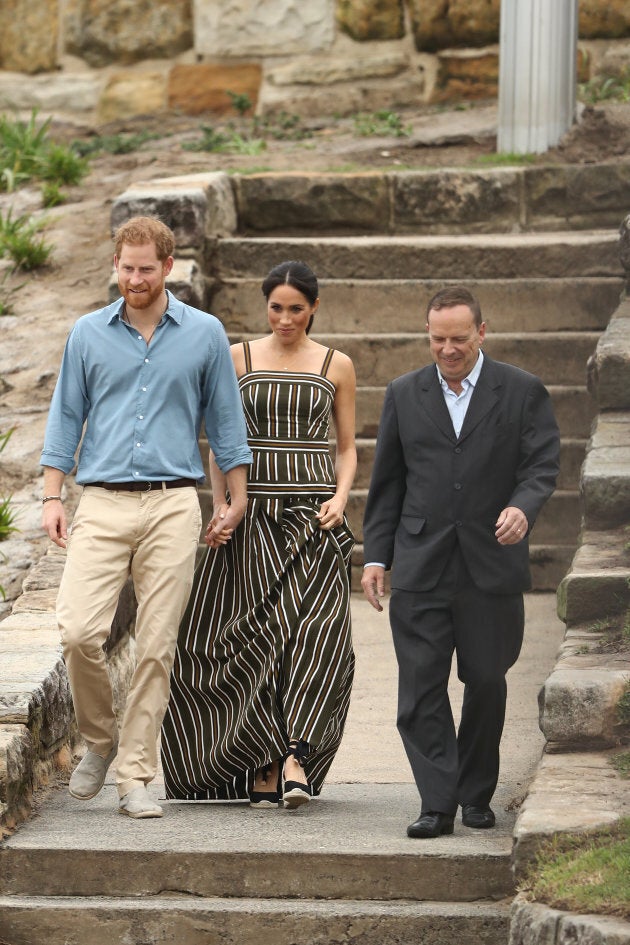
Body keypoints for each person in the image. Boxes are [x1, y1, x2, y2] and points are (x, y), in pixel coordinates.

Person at [40, 215, 252, 820]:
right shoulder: (86, 334)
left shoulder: (205, 333)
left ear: (168, 267)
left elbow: (225, 422)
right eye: (126, 268)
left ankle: (136, 774)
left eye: (146, 268)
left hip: (172, 503)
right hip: (102, 499)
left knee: (158, 644)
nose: (134, 278)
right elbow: (64, 418)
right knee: (79, 631)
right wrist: (54, 496)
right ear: (116, 266)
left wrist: (234, 498)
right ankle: (101, 742)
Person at [361, 285, 560, 839]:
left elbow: (541, 464)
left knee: (487, 681)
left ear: (481, 332)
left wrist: (523, 507)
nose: (448, 349)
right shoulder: (404, 392)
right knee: (421, 687)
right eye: (437, 339)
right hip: (422, 563)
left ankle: (476, 794)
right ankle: (437, 801)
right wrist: (377, 555)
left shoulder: (520, 391)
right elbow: (388, 486)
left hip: (490, 564)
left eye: (458, 338)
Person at [161, 259, 356, 810]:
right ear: (264, 305)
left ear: (314, 308)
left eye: (297, 308)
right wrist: (222, 504)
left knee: (316, 640)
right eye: (276, 307)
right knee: (247, 645)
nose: (286, 318)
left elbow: (345, 447)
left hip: (312, 523)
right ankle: (262, 760)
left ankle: (297, 757)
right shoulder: (235, 358)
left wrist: (340, 499)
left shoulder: (337, 365)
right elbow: (220, 439)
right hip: (250, 523)